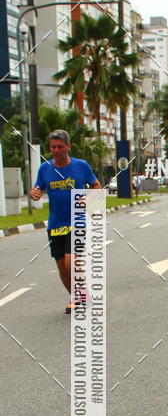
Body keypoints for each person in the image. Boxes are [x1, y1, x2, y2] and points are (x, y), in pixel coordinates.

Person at [29, 130, 101, 314]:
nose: (56, 150)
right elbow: (37, 189)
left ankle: (80, 294)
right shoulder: (45, 169)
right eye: (53, 147)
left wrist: (90, 200)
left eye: (60, 147)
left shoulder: (81, 166)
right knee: (61, 266)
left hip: (77, 221)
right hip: (55, 224)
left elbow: (96, 186)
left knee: (71, 262)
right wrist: (34, 193)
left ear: (68, 147)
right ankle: (78, 297)